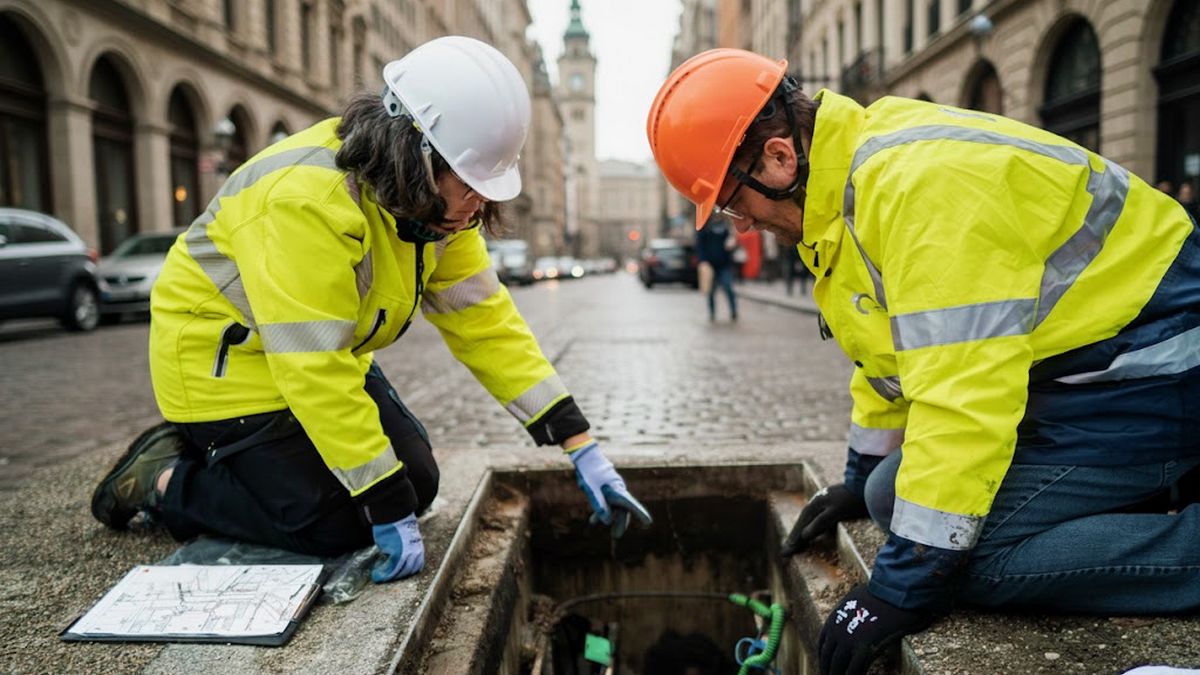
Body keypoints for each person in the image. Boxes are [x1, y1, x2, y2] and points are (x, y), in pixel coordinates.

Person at [647, 48, 1200, 675]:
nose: (741, 225)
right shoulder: (845, 196)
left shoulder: (919, 189)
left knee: (973, 562)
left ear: (777, 159)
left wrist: (904, 583)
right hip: (1080, 381)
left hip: (1153, 378)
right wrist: (860, 476)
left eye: (731, 203)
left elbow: (964, 397)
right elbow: (891, 364)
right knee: (889, 496)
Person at [91, 36, 651, 584]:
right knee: (335, 521)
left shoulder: (443, 211)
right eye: (474, 185)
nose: (483, 203)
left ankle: (257, 472)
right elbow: (311, 363)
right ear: (418, 153)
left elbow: (485, 322)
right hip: (224, 373)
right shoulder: (303, 198)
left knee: (417, 485)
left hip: (322, 354)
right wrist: (380, 501)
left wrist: (579, 443)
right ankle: (161, 478)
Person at [695, 213, 738, 321]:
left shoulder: (725, 226)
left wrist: (731, 245)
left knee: (728, 288)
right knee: (710, 291)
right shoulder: (704, 227)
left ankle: (734, 312)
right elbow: (700, 246)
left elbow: (730, 242)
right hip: (709, 265)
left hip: (724, 264)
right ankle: (712, 313)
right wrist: (703, 261)